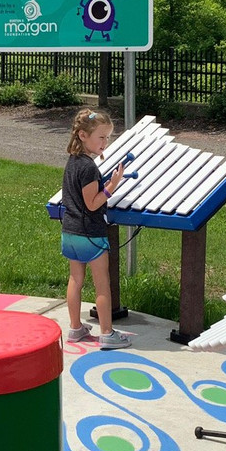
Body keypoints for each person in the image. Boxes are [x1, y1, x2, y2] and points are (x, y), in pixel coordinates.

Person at [61, 108, 131, 349]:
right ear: (83, 135)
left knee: (75, 279)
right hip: (90, 234)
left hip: (70, 233)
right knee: (102, 284)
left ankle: (75, 328)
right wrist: (112, 185)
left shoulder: (72, 162)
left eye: (108, 137)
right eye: (101, 137)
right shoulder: (89, 168)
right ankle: (107, 333)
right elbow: (92, 204)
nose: (105, 142)